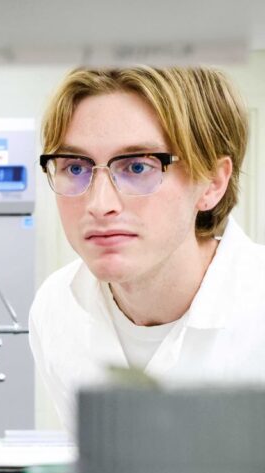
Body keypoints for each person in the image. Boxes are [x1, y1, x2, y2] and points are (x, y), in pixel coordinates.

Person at [29, 66, 265, 432]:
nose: (99, 203)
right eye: (75, 167)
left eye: (138, 166)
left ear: (212, 183)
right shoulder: (56, 309)